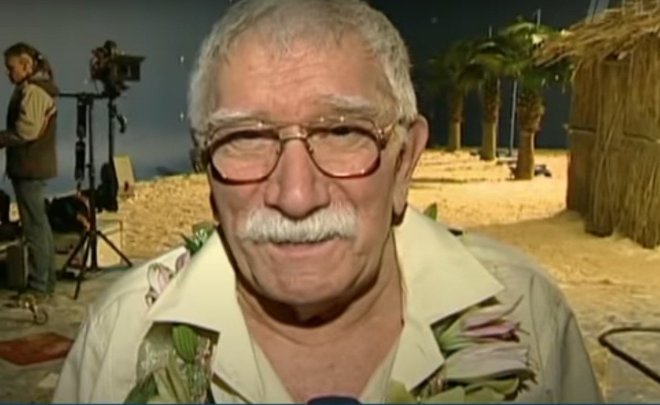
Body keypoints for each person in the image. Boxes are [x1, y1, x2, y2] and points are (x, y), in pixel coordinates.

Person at [53, 0, 603, 403]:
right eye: (246, 137)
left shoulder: (529, 319)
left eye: (343, 132)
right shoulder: (120, 338)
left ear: (405, 162)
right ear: (207, 170)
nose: (296, 196)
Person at [0, 43, 58, 301]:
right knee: (40, 226)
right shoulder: (33, 89)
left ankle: (38, 286)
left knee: (35, 228)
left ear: (25, 65)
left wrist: (2, 138)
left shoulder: (34, 91)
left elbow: (27, 131)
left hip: (30, 167)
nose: (8, 73)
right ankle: (45, 283)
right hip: (31, 166)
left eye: (11, 67)